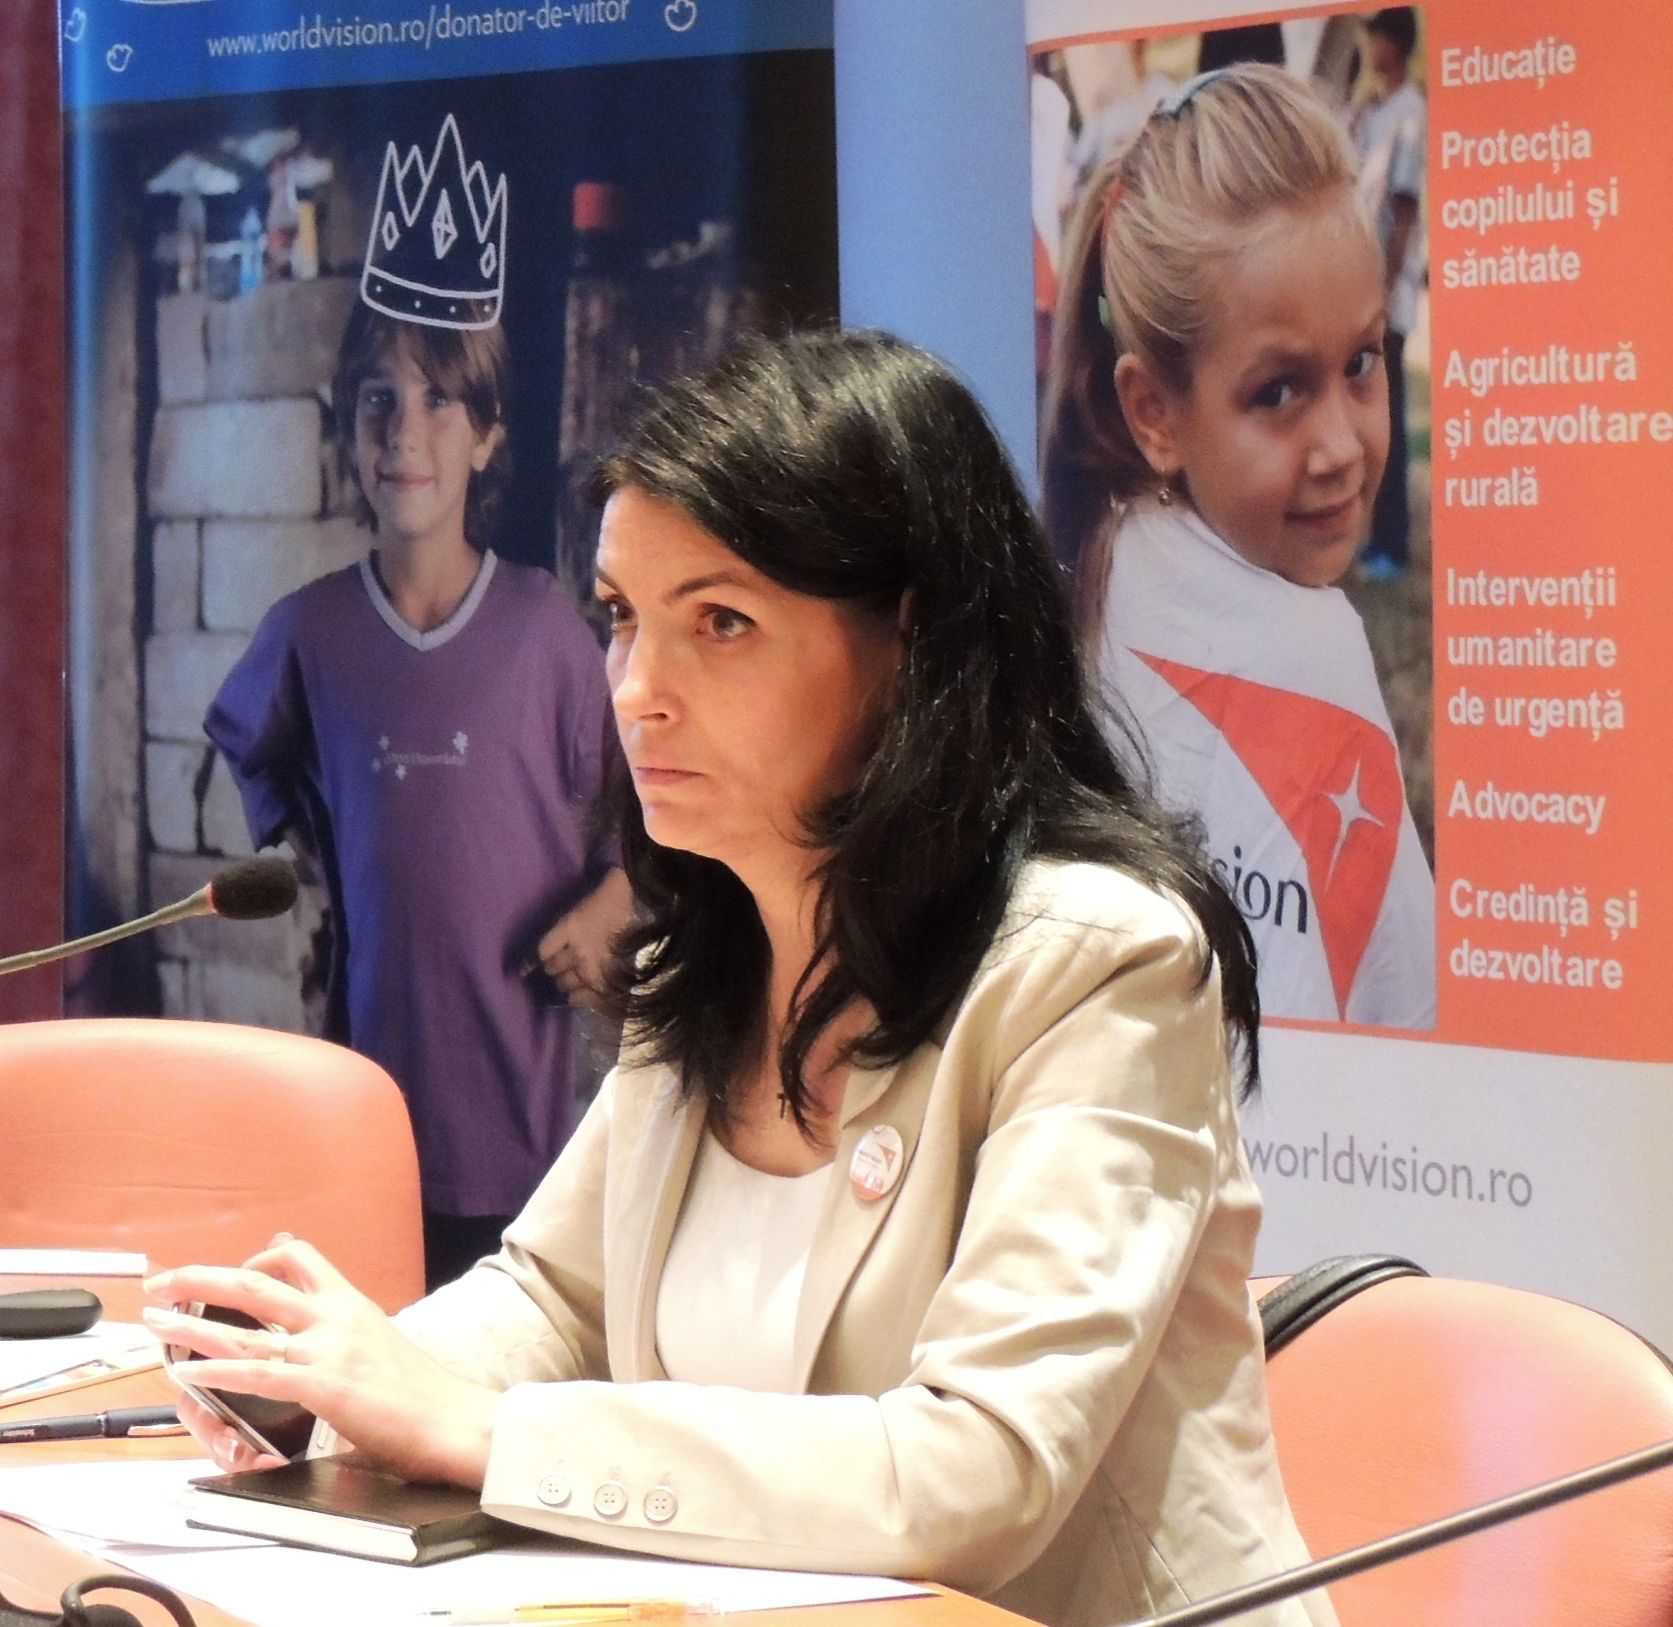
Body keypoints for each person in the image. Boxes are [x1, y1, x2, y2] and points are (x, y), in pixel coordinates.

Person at [153, 331, 1335, 1627]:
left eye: (719, 622)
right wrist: (330, 1383)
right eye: (621, 617)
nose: (636, 692)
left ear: (912, 638)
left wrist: (492, 1434)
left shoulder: (1102, 963)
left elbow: (976, 1469)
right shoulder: (711, 946)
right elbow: (554, 1297)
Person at [204, 299, 632, 1289]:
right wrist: (309, 846)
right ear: (349, 429)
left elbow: (637, 805)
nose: (404, 430)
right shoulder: (310, 631)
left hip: (522, 1126)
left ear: (487, 436)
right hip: (371, 1106)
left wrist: (615, 896)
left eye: (439, 400)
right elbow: (246, 736)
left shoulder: (548, 634)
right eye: (378, 399)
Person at [1041, 62, 1435, 1031]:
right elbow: (1395, 1019)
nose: (1341, 447)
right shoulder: (1308, 659)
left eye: (1360, 362)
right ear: (1151, 411)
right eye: (1278, 392)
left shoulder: (1096, 556)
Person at [1350, 7, 1426, 580]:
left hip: (1387, 297)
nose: (1369, 47)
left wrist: (1382, 292)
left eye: (1375, 37)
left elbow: (1402, 213)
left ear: (1394, 44)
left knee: (1391, 418)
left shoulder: (1411, 113)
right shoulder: (1375, 110)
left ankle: (1393, 546)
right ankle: (1376, 536)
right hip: (1364, 290)